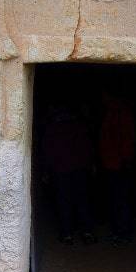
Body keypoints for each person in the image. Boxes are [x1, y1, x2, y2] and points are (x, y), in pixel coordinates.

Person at [41, 103, 97, 245]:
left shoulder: (53, 128)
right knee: (83, 201)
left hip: (60, 170)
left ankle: (67, 234)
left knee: (63, 202)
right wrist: (90, 165)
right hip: (80, 170)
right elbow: (88, 148)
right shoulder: (80, 127)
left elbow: (48, 151)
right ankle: (87, 232)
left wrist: (46, 170)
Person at [99, 90, 136, 245]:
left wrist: (126, 161)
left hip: (119, 164)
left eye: (104, 96)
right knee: (115, 199)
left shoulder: (121, 114)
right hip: (112, 163)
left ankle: (123, 234)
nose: (102, 99)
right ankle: (117, 232)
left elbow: (127, 139)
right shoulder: (112, 113)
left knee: (120, 200)